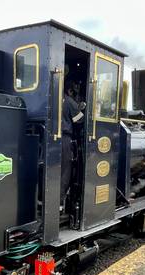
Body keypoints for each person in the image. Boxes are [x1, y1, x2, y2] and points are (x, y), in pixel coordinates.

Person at [60, 81, 85, 210]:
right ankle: (59, 202)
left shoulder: (51, 98)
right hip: (65, 139)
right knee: (65, 171)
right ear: (69, 91)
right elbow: (79, 119)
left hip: (51, 139)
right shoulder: (68, 101)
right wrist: (80, 107)